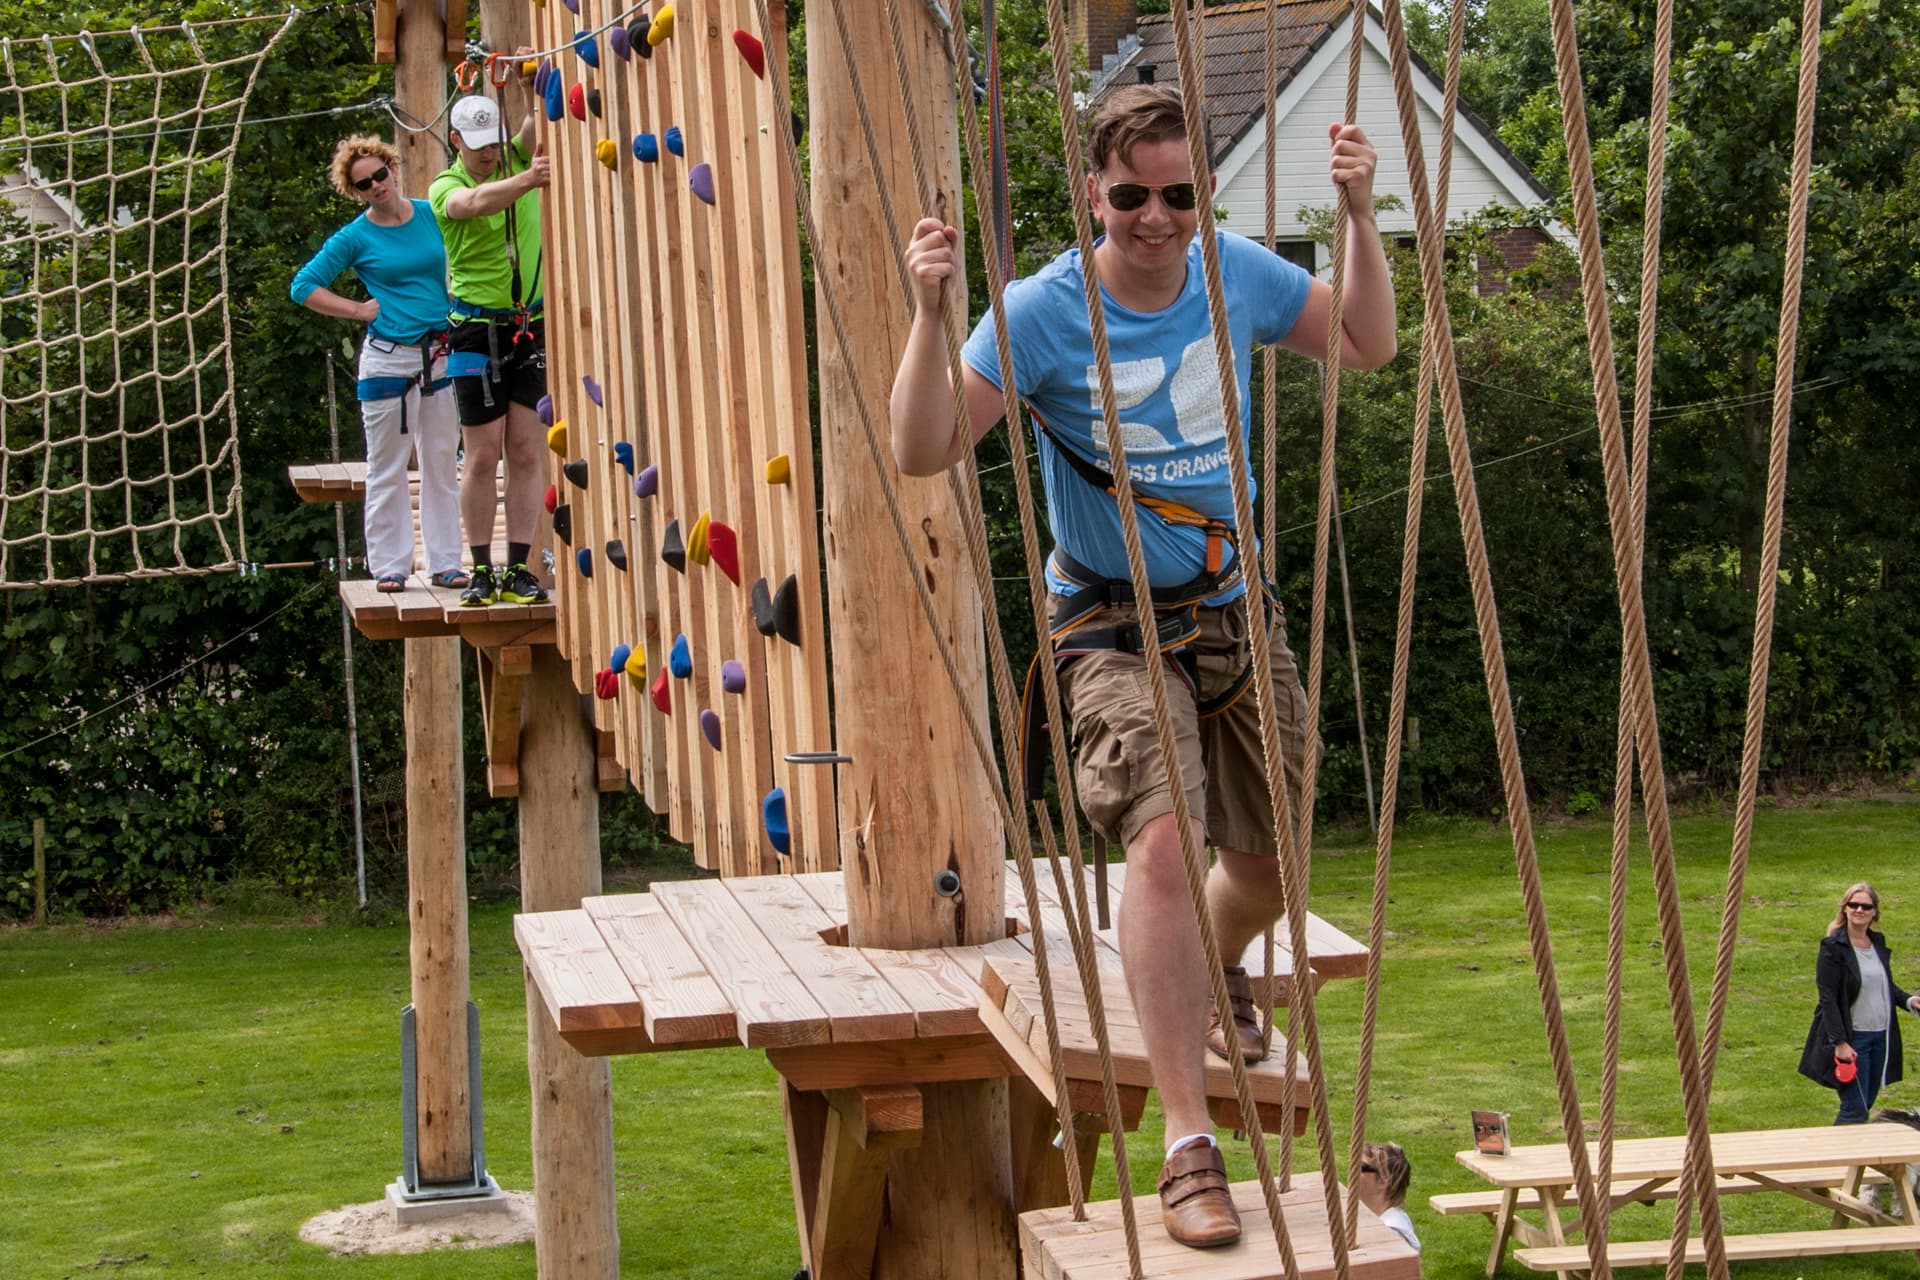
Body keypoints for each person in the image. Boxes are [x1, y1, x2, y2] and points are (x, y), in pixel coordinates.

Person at [889, 82, 1396, 1248]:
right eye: (1130, 197)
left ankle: (1210, 971)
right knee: (1164, 841)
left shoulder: (1238, 274)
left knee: (1269, 868)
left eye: (1176, 195)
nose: (1155, 219)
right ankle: (1187, 1144)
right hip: (1110, 621)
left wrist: (1362, 218)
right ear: (1094, 195)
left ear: (1198, 192)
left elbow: (1368, 343)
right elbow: (922, 448)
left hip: (1233, 608)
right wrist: (929, 313)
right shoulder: (1041, 312)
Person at [291, 136, 465, 593]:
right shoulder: (355, 237)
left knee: (442, 461)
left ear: (392, 169)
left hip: (440, 354)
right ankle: (390, 565)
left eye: (380, 175)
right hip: (388, 358)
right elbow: (304, 285)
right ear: (357, 191)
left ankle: (447, 562)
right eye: (364, 183)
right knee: (386, 466)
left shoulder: (430, 214)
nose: (376, 186)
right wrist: (356, 309)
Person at [431, 90, 551, 607]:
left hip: (530, 325)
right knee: (482, 455)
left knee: (525, 450)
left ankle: (517, 568)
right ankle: (480, 568)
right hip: (475, 332)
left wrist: (528, 80)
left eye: (494, 143)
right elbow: (474, 204)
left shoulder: (514, 154)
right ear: (456, 141)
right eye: (477, 145)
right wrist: (527, 179)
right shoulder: (446, 185)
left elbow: (533, 118)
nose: (488, 153)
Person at [1799, 882, 1920, 1124]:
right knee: (1855, 1109)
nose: (1859, 910)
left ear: (1874, 912)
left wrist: (1909, 1000)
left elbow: (1882, 985)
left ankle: (1850, 1161)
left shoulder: (1877, 944)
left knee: (1864, 1104)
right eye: (1853, 905)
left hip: (1879, 1037)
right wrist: (1840, 1043)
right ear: (1845, 909)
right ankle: (1833, 1161)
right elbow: (1828, 999)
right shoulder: (1833, 948)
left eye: (1866, 906)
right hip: (1854, 1040)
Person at [1355, 1141, 1420, 1255]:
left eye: (1361, 1167)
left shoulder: (1392, 1231)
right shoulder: (1383, 1220)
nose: (1352, 1172)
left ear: (1384, 1181)